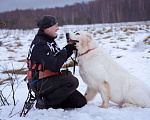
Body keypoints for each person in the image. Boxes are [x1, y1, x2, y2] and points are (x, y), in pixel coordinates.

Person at [27, 15, 86, 109]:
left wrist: (69, 49)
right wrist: (66, 50)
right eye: (56, 26)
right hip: (39, 84)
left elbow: (58, 57)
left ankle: (53, 102)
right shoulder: (40, 44)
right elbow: (55, 66)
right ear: (47, 28)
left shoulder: (49, 41)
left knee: (80, 101)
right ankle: (44, 102)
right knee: (72, 82)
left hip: (50, 80)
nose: (58, 28)